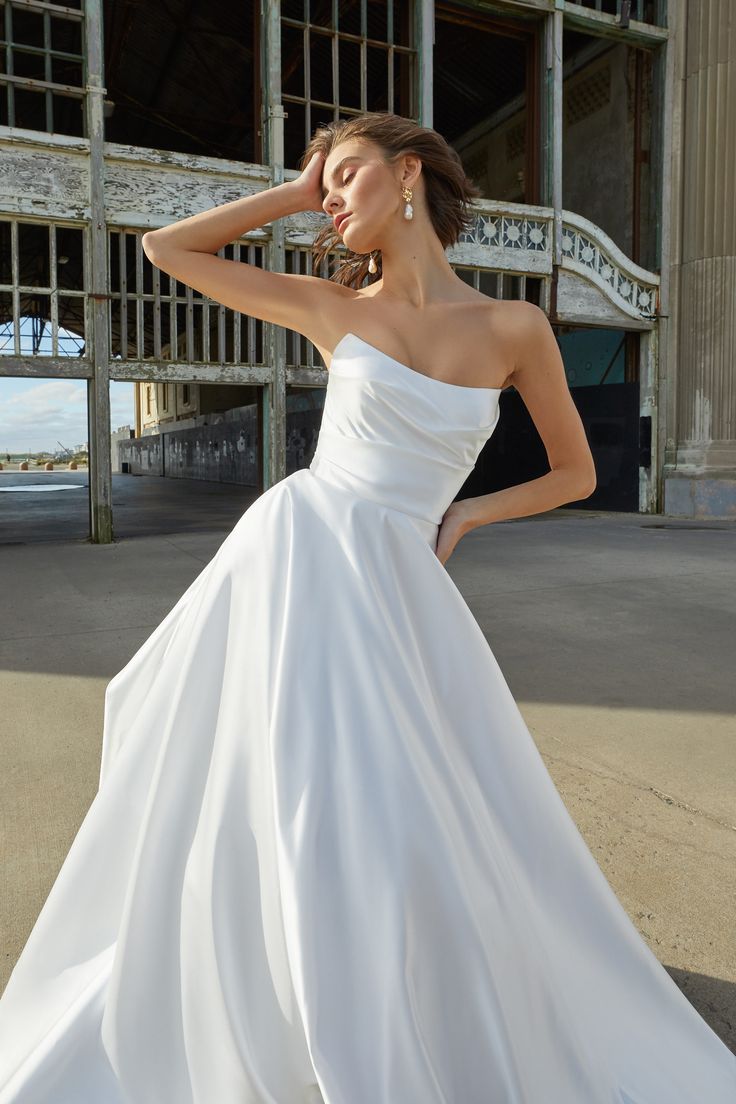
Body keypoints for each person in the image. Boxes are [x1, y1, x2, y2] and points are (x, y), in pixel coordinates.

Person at [0, 112, 733, 1103]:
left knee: (409, 795)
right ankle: (290, 983)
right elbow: (166, 247)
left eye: (347, 175)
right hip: (300, 558)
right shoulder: (330, 309)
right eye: (326, 189)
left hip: (400, 577)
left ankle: (393, 988)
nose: (334, 199)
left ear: (412, 173)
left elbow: (574, 470)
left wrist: (467, 513)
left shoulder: (513, 327)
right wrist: (300, 191)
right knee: (293, 783)